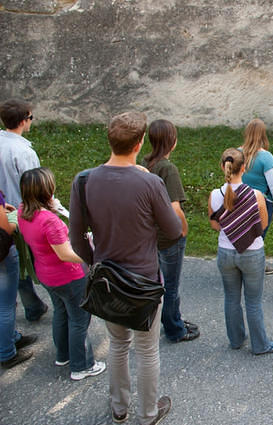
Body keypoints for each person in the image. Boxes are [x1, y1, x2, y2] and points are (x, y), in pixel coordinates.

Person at [70, 112, 182, 424]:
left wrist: (95, 263)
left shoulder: (83, 181)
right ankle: (148, 414)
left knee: (118, 345)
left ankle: (119, 408)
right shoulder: (149, 182)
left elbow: (76, 236)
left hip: (107, 280)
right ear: (139, 143)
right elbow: (173, 231)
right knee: (147, 351)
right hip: (144, 281)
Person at [18, 168, 106, 380]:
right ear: (47, 190)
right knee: (79, 319)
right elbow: (66, 254)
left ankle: (63, 354)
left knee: (61, 312)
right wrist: (92, 254)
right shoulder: (49, 221)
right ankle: (81, 365)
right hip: (69, 277)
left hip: (46, 275)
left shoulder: (23, 211)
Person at [208, 148, 273, 355]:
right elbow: (263, 225)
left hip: (225, 252)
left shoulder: (215, 195)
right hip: (252, 254)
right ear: (244, 168)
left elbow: (216, 226)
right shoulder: (256, 195)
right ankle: (260, 345)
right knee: (253, 302)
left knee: (231, 298)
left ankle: (236, 340)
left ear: (223, 167)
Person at [142, 119, 199, 343]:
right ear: (171, 142)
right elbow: (175, 208)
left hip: (151, 234)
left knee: (159, 282)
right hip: (168, 236)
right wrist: (182, 230)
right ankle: (175, 329)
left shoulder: (145, 163)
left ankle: (172, 319)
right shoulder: (168, 169)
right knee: (171, 286)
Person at [0, 99, 48, 323]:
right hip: (23, 211)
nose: (31, 122)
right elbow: (35, 185)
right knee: (35, 258)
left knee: (15, 259)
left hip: (4, 211)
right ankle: (48, 297)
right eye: (30, 118)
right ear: (22, 121)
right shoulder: (23, 151)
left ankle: (32, 304)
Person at [240, 118, 273, 275]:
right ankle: (255, 264)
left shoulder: (237, 153)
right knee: (258, 236)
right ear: (263, 135)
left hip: (239, 200)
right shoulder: (266, 157)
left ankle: (240, 261)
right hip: (261, 202)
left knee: (241, 231)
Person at [0, 189, 37, 369]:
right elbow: (5, 229)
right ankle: (7, 352)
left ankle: (11, 337)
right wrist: (14, 217)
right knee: (6, 305)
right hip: (3, 256)